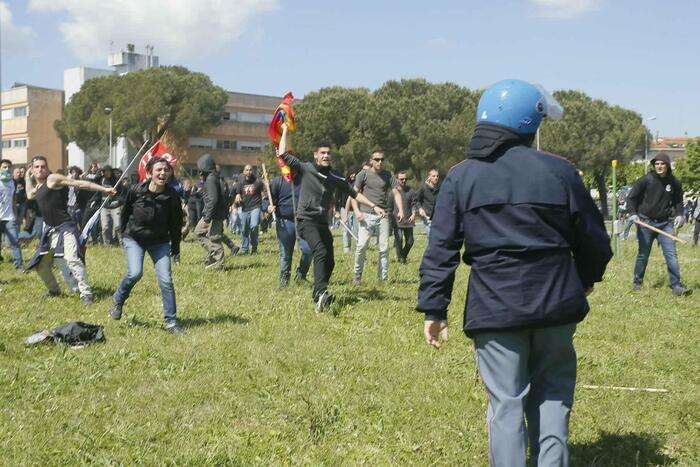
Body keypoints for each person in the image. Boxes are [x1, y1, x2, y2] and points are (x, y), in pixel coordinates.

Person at [418, 79, 612, 466]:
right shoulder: (560, 172)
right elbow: (595, 241)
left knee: (505, 404)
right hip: (556, 304)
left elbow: (440, 250)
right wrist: (585, 280)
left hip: (495, 309)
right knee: (554, 394)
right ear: (530, 124)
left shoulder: (461, 176)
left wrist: (434, 310)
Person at [277, 125, 386, 311]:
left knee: (330, 260)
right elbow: (282, 154)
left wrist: (374, 206)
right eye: (322, 153)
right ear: (315, 155)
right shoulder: (306, 168)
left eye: (328, 153)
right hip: (305, 220)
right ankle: (321, 293)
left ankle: (318, 292)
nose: (326, 156)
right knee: (319, 251)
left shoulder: (335, 177)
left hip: (322, 223)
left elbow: (354, 193)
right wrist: (285, 130)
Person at [25, 155, 116, 304]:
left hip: (66, 227)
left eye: (43, 166)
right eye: (36, 167)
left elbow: (78, 183)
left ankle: (86, 294)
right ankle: (54, 291)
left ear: (47, 168)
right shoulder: (38, 186)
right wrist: (27, 178)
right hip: (51, 231)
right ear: (32, 169)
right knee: (40, 265)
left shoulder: (53, 179)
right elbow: (29, 194)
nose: (40, 169)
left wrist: (103, 189)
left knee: (72, 259)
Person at [108, 157, 184, 334]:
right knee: (135, 273)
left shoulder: (172, 196)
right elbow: (125, 212)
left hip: (160, 242)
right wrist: (123, 234)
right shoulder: (136, 190)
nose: (163, 173)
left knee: (166, 280)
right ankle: (118, 301)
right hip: (134, 239)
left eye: (166, 170)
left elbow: (175, 224)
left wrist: (176, 248)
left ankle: (171, 322)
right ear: (149, 173)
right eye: (159, 170)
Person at [626, 153, 692, 296]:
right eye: (657, 164)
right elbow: (631, 198)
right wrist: (632, 214)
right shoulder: (645, 180)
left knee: (671, 255)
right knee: (643, 254)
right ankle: (637, 282)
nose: (659, 166)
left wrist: (680, 215)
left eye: (662, 164)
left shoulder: (674, 183)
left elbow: (678, 202)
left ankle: (676, 286)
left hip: (665, 224)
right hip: (645, 223)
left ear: (667, 166)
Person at [350, 151, 404, 285]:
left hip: (383, 215)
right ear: (371, 160)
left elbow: (396, 193)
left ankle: (383, 279)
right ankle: (357, 277)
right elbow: (353, 194)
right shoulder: (363, 175)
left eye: (382, 159)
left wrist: (401, 209)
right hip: (366, 214)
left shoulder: (388, 175)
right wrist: (356, 211)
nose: (380, 162)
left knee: (384, 248)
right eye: (377, 159)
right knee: (361, 246)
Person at [268, 175, 312, 288]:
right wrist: (268, 207)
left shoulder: (305, 180)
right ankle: (284, 282)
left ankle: (301, 276)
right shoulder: (277, 181)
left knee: (308, 250)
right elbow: (267, 201)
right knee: (286, 254)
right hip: (285, 221)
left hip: (303, 221)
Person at [194, 154, 233, 269]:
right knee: (207, 235)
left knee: (211, 236)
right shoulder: (214, 177)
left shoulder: (211, 178)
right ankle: (213, 257)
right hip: (215, 213)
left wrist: (207, 218)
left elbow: (213, 200)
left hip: (213, 214)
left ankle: (219, 261)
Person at [233, 165, 264, 254]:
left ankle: (254, 247)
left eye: (250, 170)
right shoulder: (240, 182)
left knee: (254, 226)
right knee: (245, 229)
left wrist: (265, 181)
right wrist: (237, 197)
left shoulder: (257, 181)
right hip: (245, 208)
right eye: (247, 170)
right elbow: (237, 192)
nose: (249, 171)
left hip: (255, 206)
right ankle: (245, 249)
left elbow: (264, 190)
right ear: (244, 172)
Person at [0, 159, 23, 269]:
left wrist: (16, 215)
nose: (7, 169)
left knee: (15, 242)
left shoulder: (12, 182)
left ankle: (19, 266)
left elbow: (14, 200)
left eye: (9, 167)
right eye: (4, 167)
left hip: (9, 218)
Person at [392, 170, 417, 264]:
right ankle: (400, 259)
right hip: (397, 220)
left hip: (408, 220)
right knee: (399, 240)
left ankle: (403, 255)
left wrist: (414, 214)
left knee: (410, 241)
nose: (404, 181)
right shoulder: (393, 191)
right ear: (397, 179)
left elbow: (414, 203)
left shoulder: (410, 190)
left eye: (405, 179)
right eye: (401, 179)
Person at [98, 165, 123, 245]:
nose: (107, 173)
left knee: (117, 226)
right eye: (106, 171)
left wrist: (118, 201)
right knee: (105, 227)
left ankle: (122, 243)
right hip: (104, 206)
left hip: (115, 206)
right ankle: (107, 244)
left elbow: (122, 193)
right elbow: (94, 179)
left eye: (109, 171)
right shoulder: (100, 180)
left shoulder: (116, 181)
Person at [415, 169, 440, 238]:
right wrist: (420, 209)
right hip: (428, 217)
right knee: (431, 238)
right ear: (429, 177)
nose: (436, 178)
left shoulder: (440, 188)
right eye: (434, 176)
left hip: (438, 217)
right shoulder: (423, 187)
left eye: (437, 176)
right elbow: (415, 200)